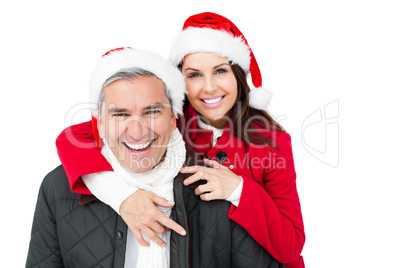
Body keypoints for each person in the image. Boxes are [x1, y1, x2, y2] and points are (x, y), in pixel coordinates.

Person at [55, 12, 305, 267]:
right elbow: (72, 140)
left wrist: (239, 189)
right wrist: (121, 196)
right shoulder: (167, 119)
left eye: (220, 71)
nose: (209, 88)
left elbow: (291, 247)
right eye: (194, 74)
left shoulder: (271, 141)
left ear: (239, 75)